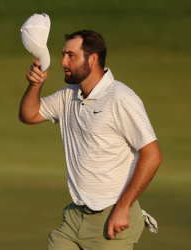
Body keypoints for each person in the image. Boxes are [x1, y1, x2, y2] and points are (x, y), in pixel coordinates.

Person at [19, 30, 162, 250]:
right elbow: (28, 116)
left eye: (70, 55)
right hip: (75, 218)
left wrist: (123, 208)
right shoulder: (68, 96)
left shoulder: (120, 98)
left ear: (92, 59)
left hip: (114, 220)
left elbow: (152, 155)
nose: (62, 61)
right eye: (63, 54)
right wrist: (35, 85)